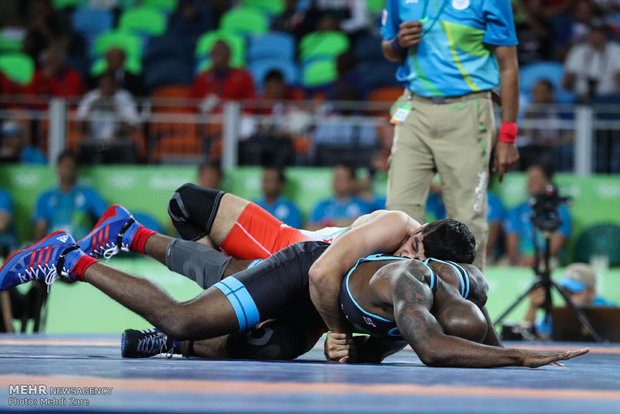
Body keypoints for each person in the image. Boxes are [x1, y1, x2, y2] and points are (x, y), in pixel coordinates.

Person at [0, 208, 588, 367]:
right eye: (413, 247)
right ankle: (71, 259)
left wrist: (350, 347)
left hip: (321, 290)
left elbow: (390, 345)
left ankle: (169, 345)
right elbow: (320, 273)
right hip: (304, 267)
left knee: (272, 349)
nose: (406, 251)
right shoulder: (403, 255)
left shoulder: (428, 298)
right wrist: (519, 354)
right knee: (187, 315)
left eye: (415, 253)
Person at [380, 0, 520, 270]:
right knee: (397, 214)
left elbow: (509, 66)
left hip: (468, 110)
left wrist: (508, 136)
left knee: (468, 218)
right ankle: (399, 300)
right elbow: (388, 48)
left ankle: (469, 304)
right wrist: (398, 42)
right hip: (414, 108)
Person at [523, 263, 616, 339]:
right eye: (565, 292)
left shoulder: (611, 311)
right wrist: (532, 307)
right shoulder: (559, 314)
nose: (567, 297)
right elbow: (526, 334)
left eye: (574, 292)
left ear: (592, 292)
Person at [504, 163, 571, 267]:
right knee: (503, 265)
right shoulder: (516, 210)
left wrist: (534, 260)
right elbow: (511, 248)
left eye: (537, 178)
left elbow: (554, 249)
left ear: (549, 182)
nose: (531, 183)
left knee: (550, 264)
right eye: (529, 179)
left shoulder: (560, 212)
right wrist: (520, 260)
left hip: (546, 260)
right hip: (519, 261)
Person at [33, 151, 108, 241]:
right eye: (65, 166)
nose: (68, 171)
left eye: (72, 167)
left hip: (82, 249)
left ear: (77, 170)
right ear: (58, 168)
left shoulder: (89, 194)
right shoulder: (45, 197)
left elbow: (107, 218)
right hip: (54, 249)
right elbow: (40, 229)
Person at [562, 18, 620, 103]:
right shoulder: (577, 51)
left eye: (599, 32)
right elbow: (568, 77)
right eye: (593, 31)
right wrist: (566, 93)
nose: (596, 35)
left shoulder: (616, 50)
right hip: (581, 98)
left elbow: (619, 76)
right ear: (588, 33)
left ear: (605, 34)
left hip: (607, 98)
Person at [77, 71, 141, 142]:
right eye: (103, 85)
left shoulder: (124, 97)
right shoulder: (91, 97)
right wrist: (92, 108)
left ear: (115, 85)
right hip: (93, 140)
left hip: (119, 141)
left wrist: (115, 112)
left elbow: (133, 127)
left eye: (109, 84)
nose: (106, 87)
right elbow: (79, 126)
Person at [307, 164, 373, 231]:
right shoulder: (322, 205)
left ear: (351, 182)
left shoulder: (362, 204)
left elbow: (364, 225)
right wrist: (344, 223)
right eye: (335, 178)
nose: (336, 181)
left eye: (341, 178)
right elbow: (309, 228)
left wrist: (328, 224)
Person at [190, 40, 255, 107]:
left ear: (229, 55)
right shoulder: (202, 78)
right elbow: (190, 105)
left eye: (219, 53)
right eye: (213, 53)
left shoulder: (244, 77)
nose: (215, 57)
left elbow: (250, 104)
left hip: (234, 115)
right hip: (207, 116)